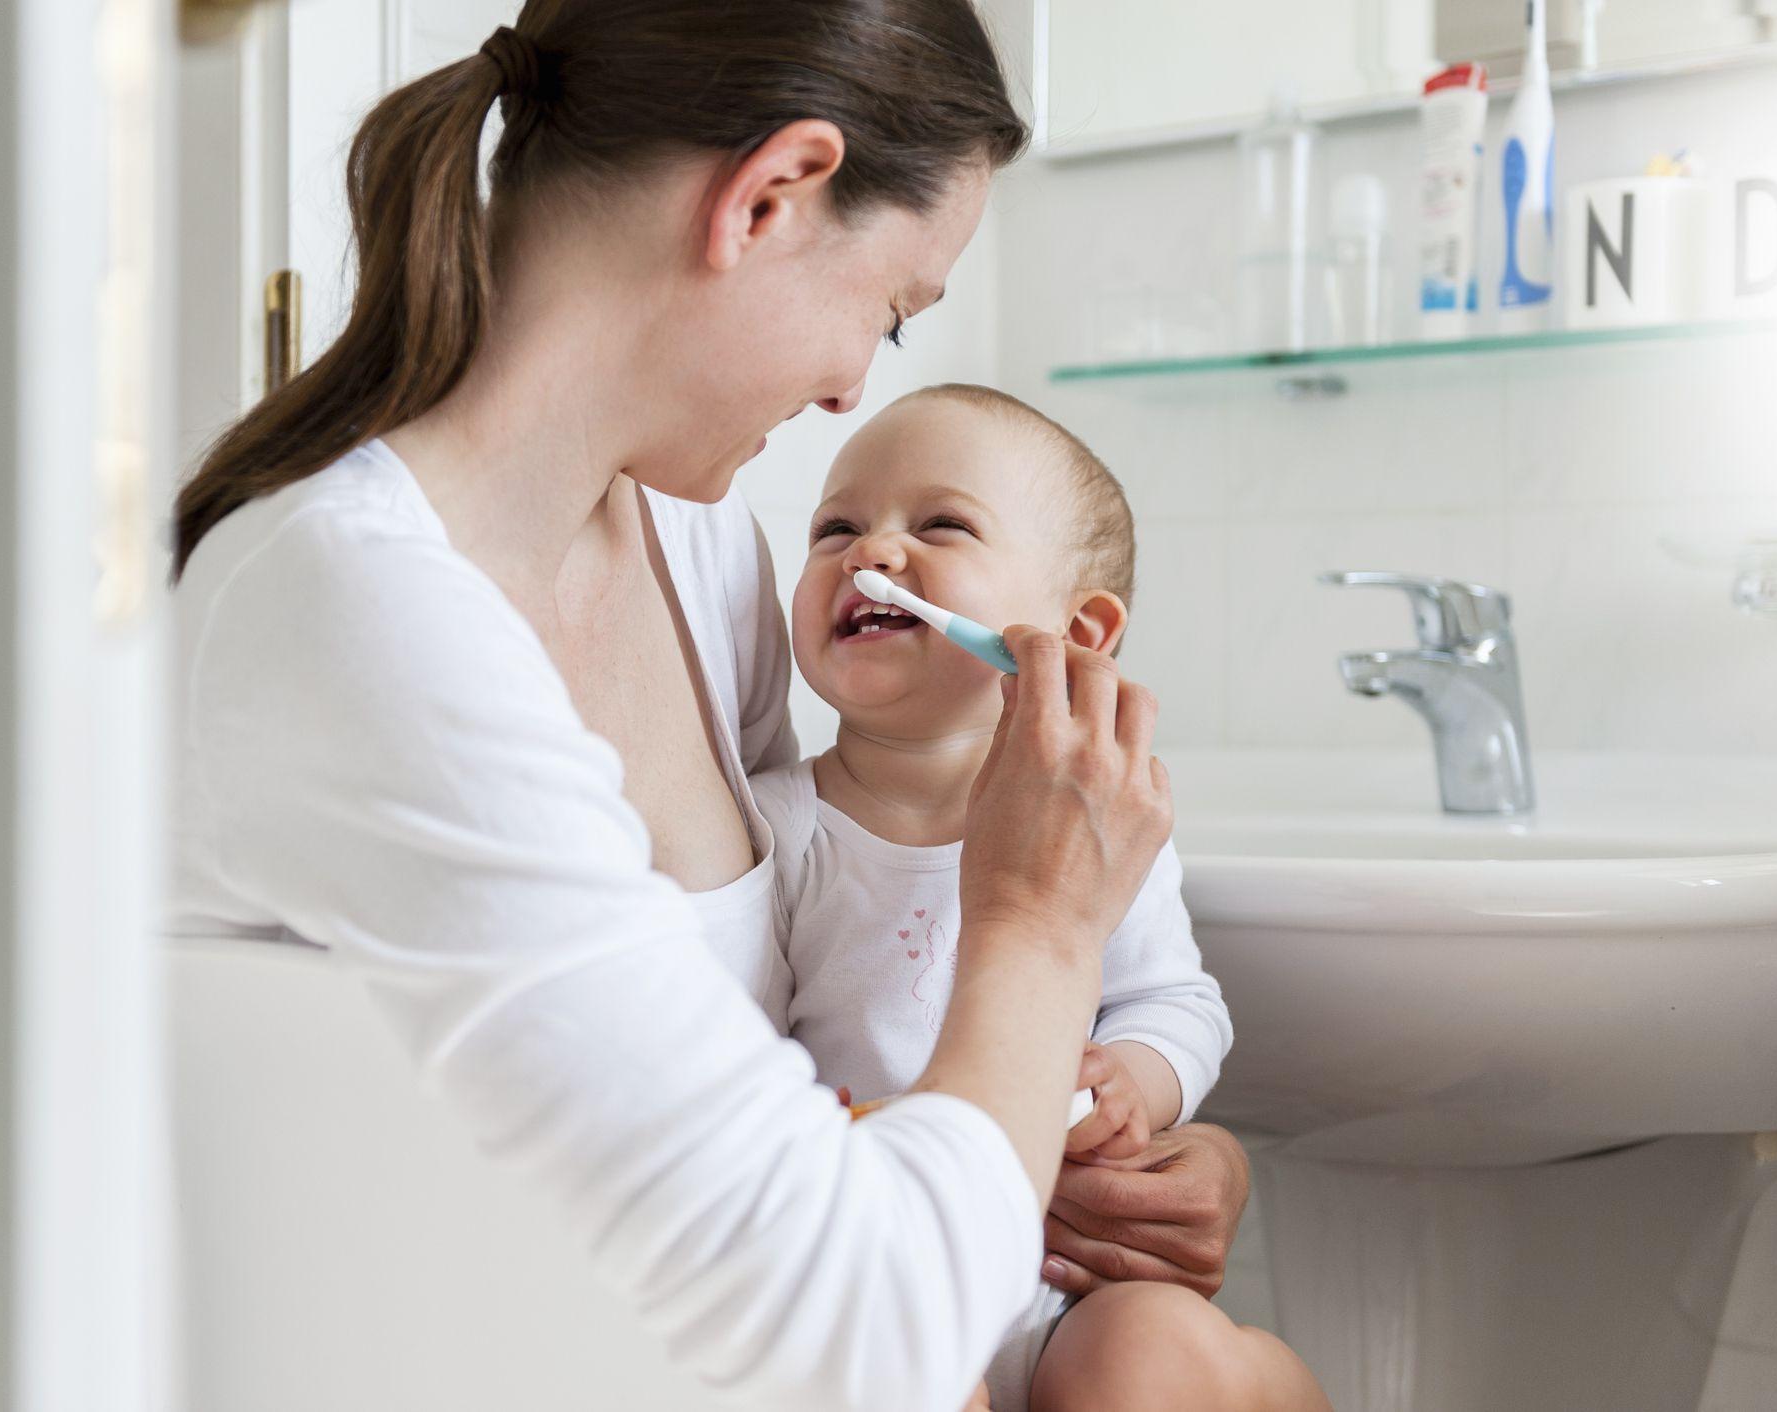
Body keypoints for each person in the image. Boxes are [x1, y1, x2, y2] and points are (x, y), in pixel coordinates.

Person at [166, 4, 1267, 1407]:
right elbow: (851, 1334)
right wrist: (1040, 928)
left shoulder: (699, 552)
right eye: (887, 309)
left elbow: (763, 1088)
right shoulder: (353, 606)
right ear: (770, 197)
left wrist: (1119, 1170)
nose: (850, 387)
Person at [754, 384, 1328, 1411]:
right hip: (888, 1266)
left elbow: (1179, 1005)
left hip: (1064, 1285)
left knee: (1159, 1351)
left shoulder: (1105, 821)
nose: (868, 552)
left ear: (1080, 632)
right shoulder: (778, 829)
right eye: (833, 527)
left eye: (939, 524)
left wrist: (1134, 1088)